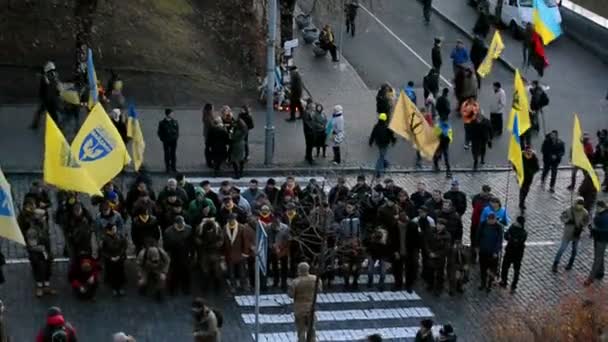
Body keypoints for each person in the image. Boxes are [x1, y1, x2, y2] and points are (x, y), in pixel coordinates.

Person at [552, 197, 590, 273]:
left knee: (575, 250)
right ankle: (555, 263)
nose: (580, 206)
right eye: (579, 204)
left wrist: (581, 224)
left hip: (577, 234)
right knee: (562, 249)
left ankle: (570, 263)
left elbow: (587, 221)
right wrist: (567, 221)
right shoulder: (569, 210)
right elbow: (562, 217)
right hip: (568, 233)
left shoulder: (585, 212)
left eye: (581, 205)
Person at [288, 262, 321, 342]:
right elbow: (319, 290)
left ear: (299, 270)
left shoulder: (295, 282)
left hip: (299, 309)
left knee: (301, 331)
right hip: (311, 307)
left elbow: (291, 295)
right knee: (312, 330)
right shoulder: (315, 279)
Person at [391, 211, 420, 292]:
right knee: (397, 270)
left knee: (410, 270)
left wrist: (415, 251)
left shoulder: (413, 226)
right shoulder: (394, 226)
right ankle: (398, 284)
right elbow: (392, 240)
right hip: (398, 251)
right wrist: (395, 251)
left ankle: (409, 285)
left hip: (409, 251)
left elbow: (416, 240)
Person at [164, 216, 193, 295]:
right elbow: (166, 246)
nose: (181, 226)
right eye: (179, 225)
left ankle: (186, 287)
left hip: (185, 254)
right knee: (174, 273)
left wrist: (191, 252)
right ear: (175, 224)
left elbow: (191, 242)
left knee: (186, 272)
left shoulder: (189, 229)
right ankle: (172, 289)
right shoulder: (168, 232)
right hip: (174, 254)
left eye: (182, 224)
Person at [477, 212, 504, 292]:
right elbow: (478, 236)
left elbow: (499, 241)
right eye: (490, 220)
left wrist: (496, 251)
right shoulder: (483, 225)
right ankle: (483, 283)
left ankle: (489, 285)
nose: (491, 222)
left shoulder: (498, 227)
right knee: (483, 268)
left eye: (493, 220)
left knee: (492, 270)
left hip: (493, 253)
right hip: (483, 251)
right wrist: (478, 246)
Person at [500, 216, 527, 294]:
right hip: (509, 252)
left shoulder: (523, 233)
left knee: (516, 271)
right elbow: (506, 236)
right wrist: (511, 238)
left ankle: (513, 286)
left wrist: (510, 238)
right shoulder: (512, 227)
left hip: (517, 254)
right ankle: (504, 281)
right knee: (505, 267)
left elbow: (517, 242)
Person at [100, 223, 128, 296]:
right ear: (109, 230)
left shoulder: (120, 235)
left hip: (119, 257)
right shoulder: (104, 238)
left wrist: (119, 255)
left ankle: (120, 287)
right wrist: (110, 257)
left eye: (115, 228)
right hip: (110, 259)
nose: (115, 230)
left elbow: (124, 246)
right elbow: (103, 251)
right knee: (112, 274)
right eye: (113, 229)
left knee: (120, 272)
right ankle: (114, 288)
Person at [585, 201, 608, 286]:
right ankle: (600, 272)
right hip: (597, 237)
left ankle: (591, 278)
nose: (597, 209)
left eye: (598, 208)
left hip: (602, 239)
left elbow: (604, 230)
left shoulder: (605, 217)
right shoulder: (600, 214)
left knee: (597, 258)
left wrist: (594, 229)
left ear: (602, 208)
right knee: (599, 255)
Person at [427, 218, 452, 296]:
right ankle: (430, 285)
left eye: (440, 224)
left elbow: (446, 249)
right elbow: (427, 242)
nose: (438, 226)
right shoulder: (431, 231)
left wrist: (436, 254)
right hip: (431, 255)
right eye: (438, 224)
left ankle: (439, 288)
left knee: (439, 274)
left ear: (444, 226)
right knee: (430, 271)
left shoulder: (447, 235)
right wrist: (429, 252)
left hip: (440, 258)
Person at [369, 113, 396, 177]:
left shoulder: (376, 126)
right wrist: (393, 141)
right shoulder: (387, 127)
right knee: (381, 157)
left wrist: (371, 142)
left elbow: (373, 134)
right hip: (385, 143)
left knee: (382, 154)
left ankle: (386, 163)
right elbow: (391, 135)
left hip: (379, 143)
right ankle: (378, 171)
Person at [157, 108, 179, 173]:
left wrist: (176, 137)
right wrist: (162, 139)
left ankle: (173, 167)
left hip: (173, 140)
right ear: (168, 114)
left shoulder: (175, 122)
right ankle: (167, 168)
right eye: (171, 113)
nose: (172, 114)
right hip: (166, 140)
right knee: (167, 154)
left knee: (173, 154)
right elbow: (159, 132)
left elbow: (177, 131)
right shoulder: (162, 123)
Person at [519, 145, 540, 210]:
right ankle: (521, 202)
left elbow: (537, 167)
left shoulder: (534, 157)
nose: (528, 152)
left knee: (526, 190)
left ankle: (523, 199)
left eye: (529, 151)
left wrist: (531, 171)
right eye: (527, 151)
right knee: (522, 189)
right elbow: (516, 164)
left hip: (529, 176)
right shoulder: (521, 156)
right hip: (522, 175)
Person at [229, 114, 249, 179]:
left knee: (234, 159)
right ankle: (241, 172)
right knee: (241, 160)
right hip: (242, 144)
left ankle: (237, 174)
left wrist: (231, 132)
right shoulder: (244, 129)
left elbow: (233, 138)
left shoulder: (238, 131)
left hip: (237, 145)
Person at [302, 99, 315, 164]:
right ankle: (309, 158)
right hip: (308, 132)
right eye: (312, 105)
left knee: (310, 145)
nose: (313, 106)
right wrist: (312, 127)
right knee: (309, 145)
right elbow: (307, 123)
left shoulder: (311, 112)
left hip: (311, 131)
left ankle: (308, 156)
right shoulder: (306, 112)